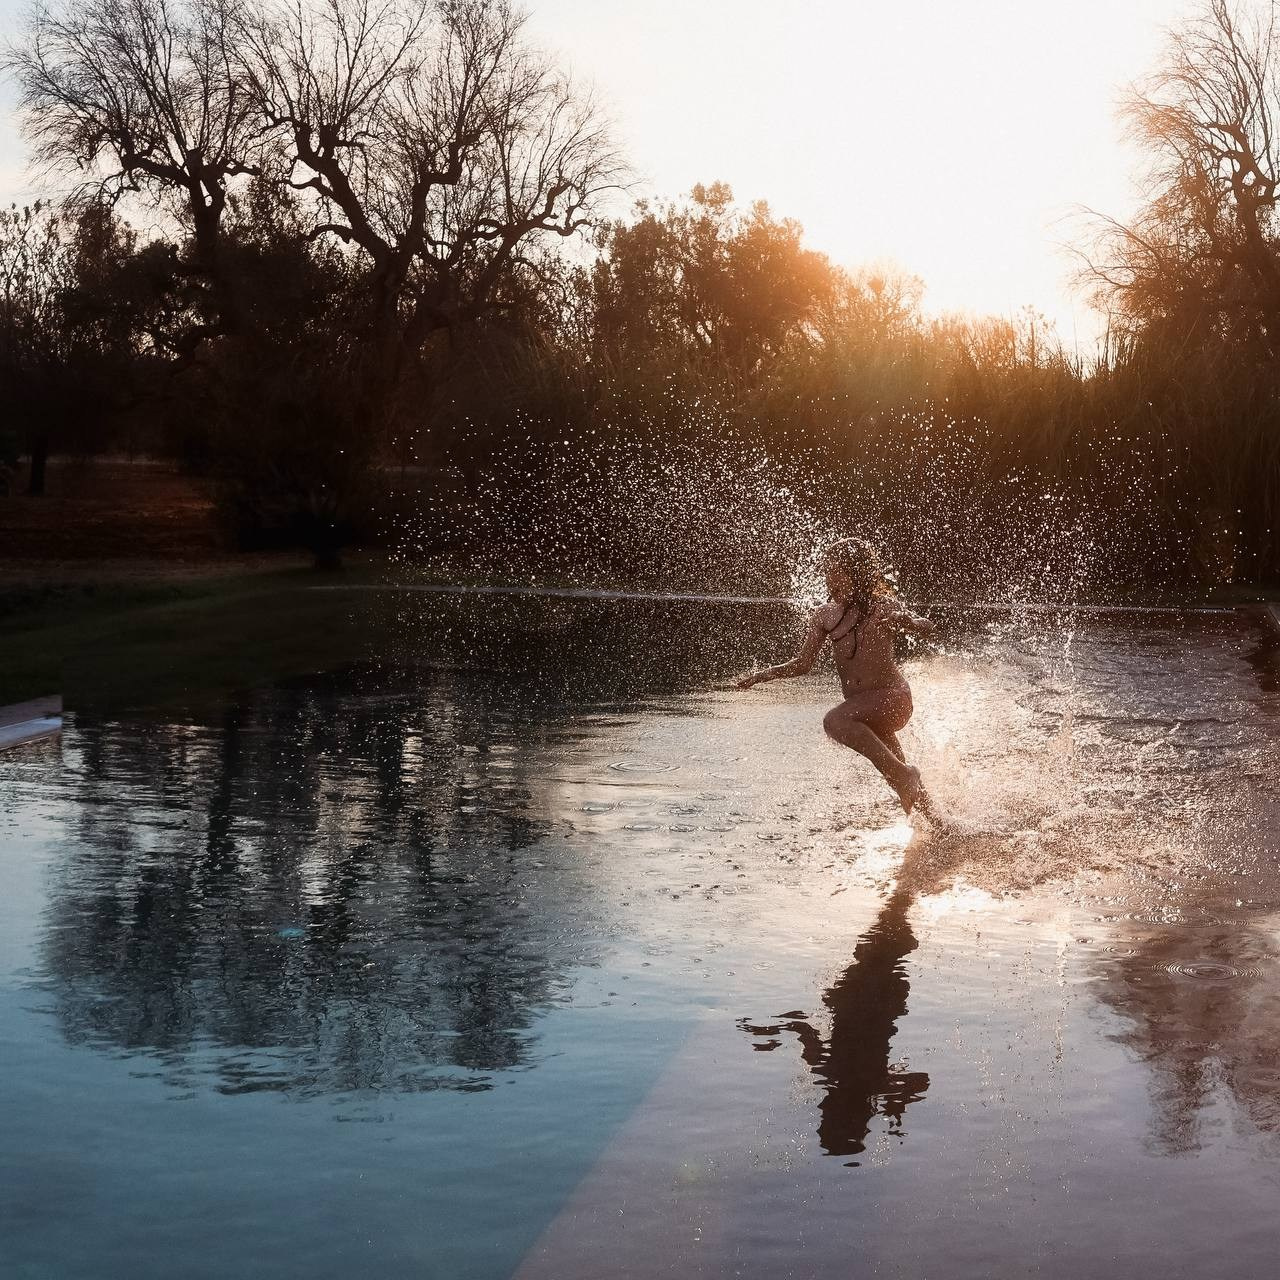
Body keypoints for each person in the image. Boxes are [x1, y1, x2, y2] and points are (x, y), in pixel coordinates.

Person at [736, 538, 935, 815]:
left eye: (836, 571)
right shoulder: (824, 615)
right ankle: (942, 825)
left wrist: (908, 623)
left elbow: (925, 625)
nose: (829, 577)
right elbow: (803, 664)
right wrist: (762, 675)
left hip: (892, 700)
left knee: (835, 720)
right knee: (893, 773)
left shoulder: (883, 607)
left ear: (857, 573)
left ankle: (906, 776)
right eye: (828, 571)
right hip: (864, 710)